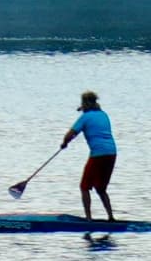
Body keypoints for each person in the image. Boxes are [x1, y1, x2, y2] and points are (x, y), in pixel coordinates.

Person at [51, 90, 121, 223]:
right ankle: (111, 217)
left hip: (98, 154)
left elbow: (70, 134)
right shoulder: (104, 114)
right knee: (101, 188)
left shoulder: (85, 117)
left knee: (84, 187)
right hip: (112, 153)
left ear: (85, 104)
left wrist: (64, 143)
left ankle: (88, 219)